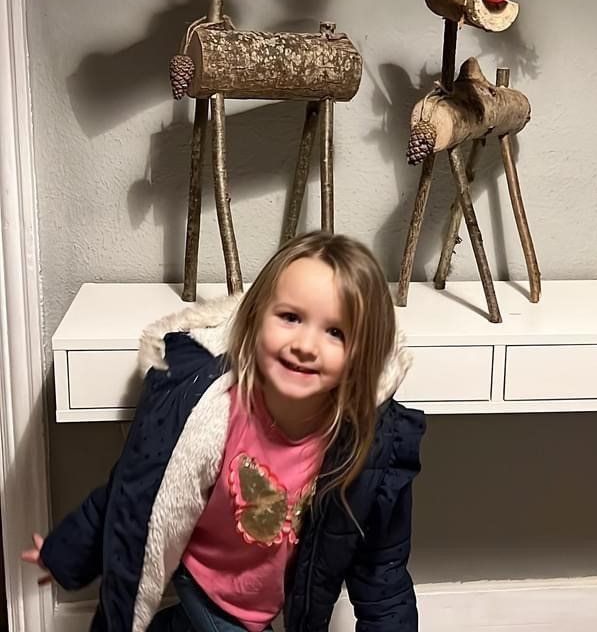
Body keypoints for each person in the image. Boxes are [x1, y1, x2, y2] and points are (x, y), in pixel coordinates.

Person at [23, 231, 425, 632]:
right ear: (255, 318)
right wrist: (66, 552)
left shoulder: (371, 446)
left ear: (362, 354)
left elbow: (382, 573)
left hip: (269, 598)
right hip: (202, 577)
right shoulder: (208, 409)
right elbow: (132, 492)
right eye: (290, 318)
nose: (306, 344)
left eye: (335, 332)